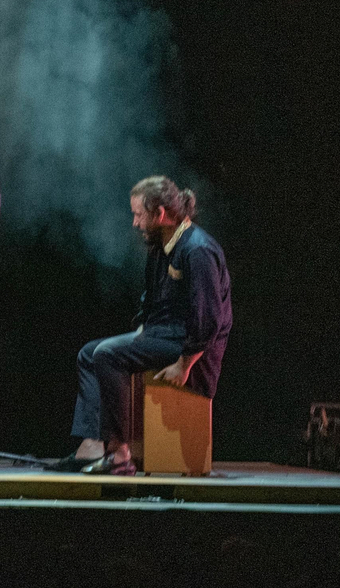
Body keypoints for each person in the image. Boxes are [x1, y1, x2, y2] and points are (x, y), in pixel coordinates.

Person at [53, 176, 232, 475]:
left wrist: (184, 364)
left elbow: (209, 319)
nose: (135, 223)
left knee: (108, 355)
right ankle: (92, 445)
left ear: (160, 214)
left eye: (139, 215)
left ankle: (120, 453)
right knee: (89, 353)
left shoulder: (197, 250)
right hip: (163, 334)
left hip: (191, 345)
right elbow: (151, 298)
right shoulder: (160, 245)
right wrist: (141, 329)